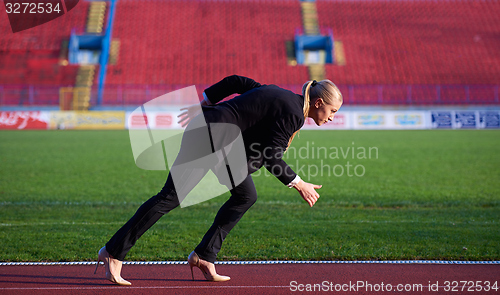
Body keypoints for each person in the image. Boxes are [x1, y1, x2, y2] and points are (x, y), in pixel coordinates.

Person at [94, 75, 343, 285]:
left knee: (246, 196)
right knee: (170, 197)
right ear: (319, 102)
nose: (332, 117)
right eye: (332, 111)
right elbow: (272, 157)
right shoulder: (293, 113)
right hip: (209, 138)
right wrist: (299, 183)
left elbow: (237, 81)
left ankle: (204, 256)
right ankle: (113, 252)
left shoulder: (280, 95)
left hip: (217, 140)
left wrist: (206, 103)